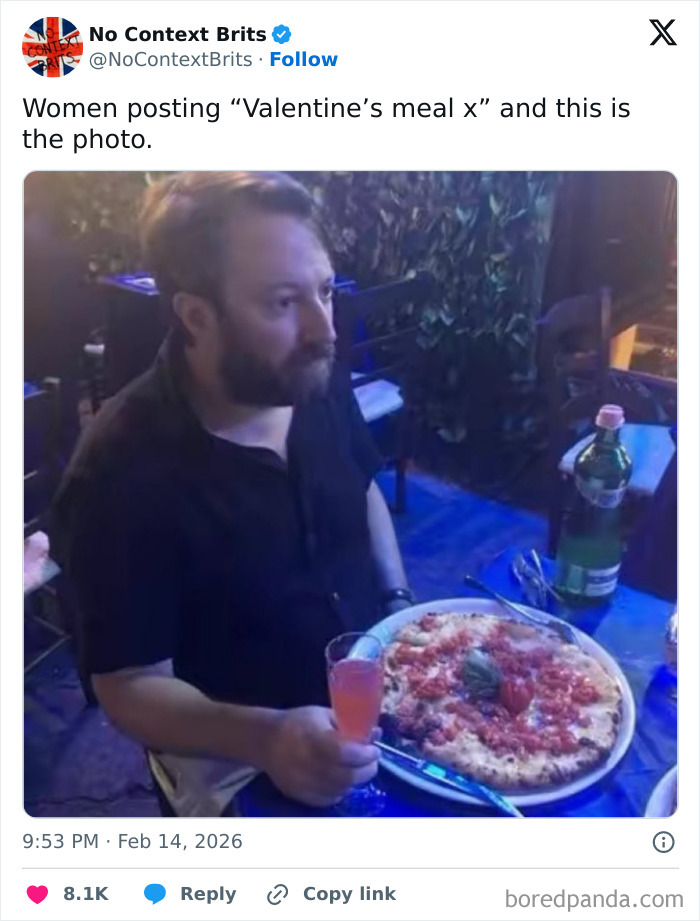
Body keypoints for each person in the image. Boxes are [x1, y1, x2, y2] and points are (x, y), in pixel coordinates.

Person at [50, 172, 413, 817]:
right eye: (281, 302)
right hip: (238, 760)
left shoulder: (311, 373)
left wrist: (399, 611)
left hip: (377, 704)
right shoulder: (119, 470)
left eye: (324, 291)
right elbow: (128, 685)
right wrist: (267, 737)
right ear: (196, 315)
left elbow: (360, 490)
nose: (324, 330)